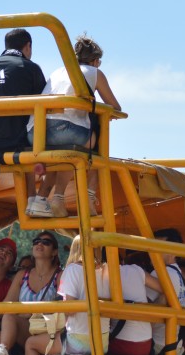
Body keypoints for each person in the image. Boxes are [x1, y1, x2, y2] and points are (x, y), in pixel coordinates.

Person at [26, 34, 121, 218]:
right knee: (96, 146)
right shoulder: (93, 72)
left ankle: (43, 200)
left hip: (35, 132)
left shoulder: (57, 71)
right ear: (95, 61)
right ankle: (87, 198)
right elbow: (115, 107)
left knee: (64, 154)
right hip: (65, 131)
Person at [0, 29, 46, 237]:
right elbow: (45, 102)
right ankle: (32, 199)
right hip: (15, 141)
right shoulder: (30, 68)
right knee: (34, 146)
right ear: (28, 46)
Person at [0, 231, 63, 355]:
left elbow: (61, 310)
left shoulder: (60, 276)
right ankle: (1, 352)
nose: (39, 244)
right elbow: (6, 305)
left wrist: (28, 313)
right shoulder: (22, 275)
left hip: (48, 330)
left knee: (11, 319)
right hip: (26, 328)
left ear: (54, 252)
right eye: (36, 241)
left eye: (46, 242)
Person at [29, 235, 107, 355]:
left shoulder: (72, 270)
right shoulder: (106, 271)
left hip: (79, 340)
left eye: (46, 242)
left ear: (74, 250)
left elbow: (70, 311)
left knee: (30, 343)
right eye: (36, 241)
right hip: (102, 341)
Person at [145, 229, 185, 355]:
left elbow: (145, 315)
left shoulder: (161, 273)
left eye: (159, 247)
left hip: (157, 346)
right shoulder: (178, 274)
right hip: (174, 345)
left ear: (173, 250)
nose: (152, 252)